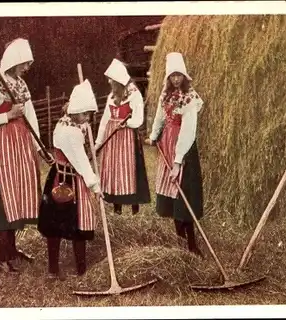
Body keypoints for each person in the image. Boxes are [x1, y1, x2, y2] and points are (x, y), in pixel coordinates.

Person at [0, 38, 53, 273]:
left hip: (21, 145)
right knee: (3, 198)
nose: (27, 67)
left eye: (29, 63)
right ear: (13, 60)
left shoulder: (20, 84)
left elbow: (31, 118)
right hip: (2, 146)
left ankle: (11, 249)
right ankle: (1, 257)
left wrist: (39, 148)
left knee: (17, 196)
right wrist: (7, 116)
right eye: (24, 62)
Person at [38, 79, 103, 280]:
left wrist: (84, 129)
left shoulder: (64, 123)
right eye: (84, 115)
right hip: (67, 180)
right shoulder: (70, 132)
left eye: (88, 115)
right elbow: (81, 162)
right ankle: (76, 270)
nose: (87, 119)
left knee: (57, 225)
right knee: (74, 225)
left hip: (58, 175)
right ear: (74, 111)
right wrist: (94, 184)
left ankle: (57, 269)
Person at [146, 52, 205, 257]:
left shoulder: (190, 98)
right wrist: (154, 135)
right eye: (173, 75)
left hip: (184, 150)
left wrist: (178, 161)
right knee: (172, 195)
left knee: (184, 195)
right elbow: (160, 118)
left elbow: (189, 130)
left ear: (185, 76)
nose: (176, 79)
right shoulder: (167, 96)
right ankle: (179, 242)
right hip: (167, 146)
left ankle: (191, 244)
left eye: (179, 75)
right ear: (168, 78)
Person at [95, 58, 151, 215]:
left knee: (128, 170)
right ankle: (116, 206)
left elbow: (138, 119)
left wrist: (126, 124)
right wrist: (98, 142)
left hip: (127, 138)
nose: (109, 83)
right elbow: (105, 120)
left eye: (112, 81)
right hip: (113, 138)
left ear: (119, 80)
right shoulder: (111, 97)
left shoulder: (134, 95)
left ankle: (134, 206)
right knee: (114, 170)